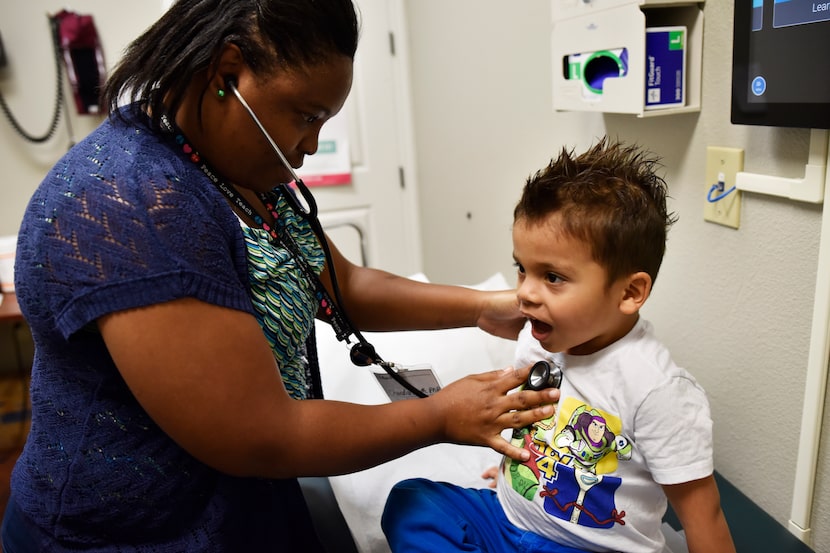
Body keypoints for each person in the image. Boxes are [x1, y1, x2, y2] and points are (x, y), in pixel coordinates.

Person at [0, 1, 560, 551]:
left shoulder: (238, 166)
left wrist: (486, 306)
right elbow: (261, 435)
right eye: (307, 115)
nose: (311, 145)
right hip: (133, 534)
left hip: (248, 510)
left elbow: (343, 287)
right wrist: (438, 415)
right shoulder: (131, 203)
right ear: (228, 73)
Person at [381, 138, 736, 553]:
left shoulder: (658, 390)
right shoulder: (536, 341)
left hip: (589, 546)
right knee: (411, 503)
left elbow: (702, 513)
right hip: (506, 518)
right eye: (522, 269)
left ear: (629, 292)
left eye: (552, 277)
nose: (526, 293)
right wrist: (520, 481)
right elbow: (535, 429)